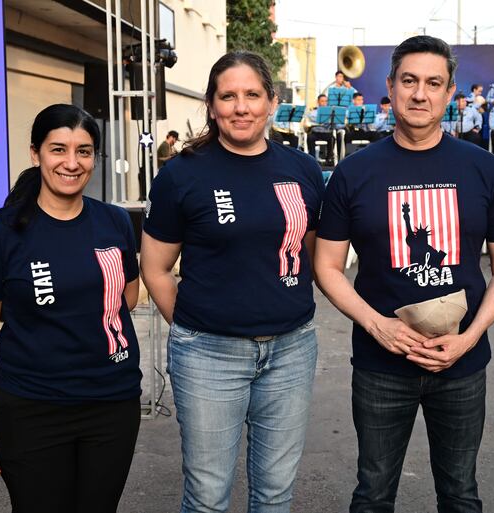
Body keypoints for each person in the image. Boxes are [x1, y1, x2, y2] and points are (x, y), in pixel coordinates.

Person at [315, 35, 494, 513]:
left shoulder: (485, 169)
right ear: (392, 85)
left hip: (462, 364)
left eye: (433, 83)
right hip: (381, 363)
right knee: (372, 495)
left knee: (461, 495)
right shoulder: (354, 171)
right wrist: (376, 325)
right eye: (409, 81)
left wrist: (470, 337)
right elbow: (326, 265)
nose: (420, 93)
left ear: (450, 92)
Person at [140, 51, 324, 513]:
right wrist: (193, 327)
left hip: (291, 350)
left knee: (276, 493)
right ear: (211, 104)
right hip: (208, 355)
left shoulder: (302, 170)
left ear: (271, 101)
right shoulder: (182, 173)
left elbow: (316, 253)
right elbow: (156, 268)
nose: (241, 107)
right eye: (228, 96)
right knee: (206, 496)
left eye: (252, 95)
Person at [0, 104, 141, 513]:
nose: (72, 163)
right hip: (30, 409)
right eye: (58, 149)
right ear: (35, 153)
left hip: (112, 405)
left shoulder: (115, 222)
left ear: (96, 157)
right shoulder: (1, 231)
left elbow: (127, 298)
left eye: (84, 151)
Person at [306, 93, 345, 164]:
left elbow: (338, 125)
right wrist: (327, 120)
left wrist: (337, 122)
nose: (324, 103)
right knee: (310, 138)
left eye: (326, 101)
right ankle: (312, 159)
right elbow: (313, 119)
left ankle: (329, 159)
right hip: (316, 132)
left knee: (332, 138)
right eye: (322, 101)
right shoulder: (313, 112)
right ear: (318, 102)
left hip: (326, 132)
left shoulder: (332, 113)